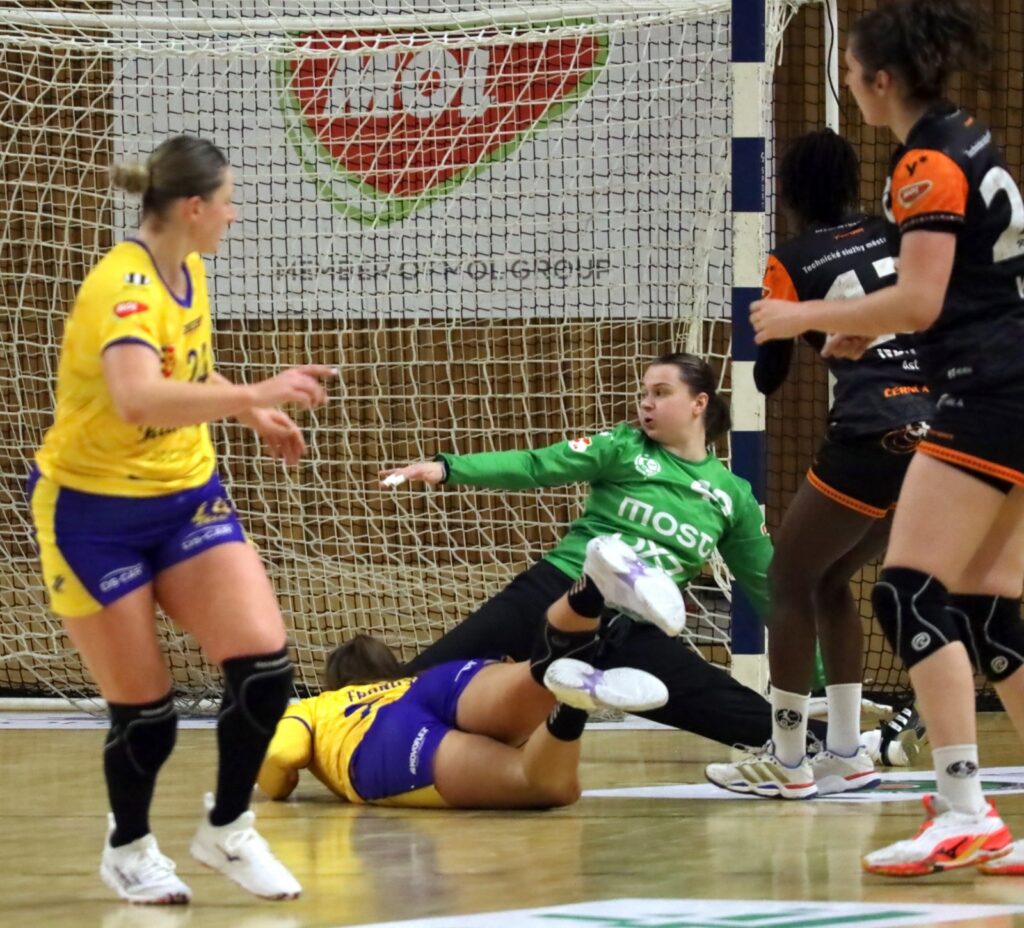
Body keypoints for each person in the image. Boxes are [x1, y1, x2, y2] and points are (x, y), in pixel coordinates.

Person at [748, 0, 1024, 876]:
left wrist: (802, 316)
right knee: (989, 606)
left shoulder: (924, 164)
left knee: (906, 593)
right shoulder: (971, 137)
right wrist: (858, 329)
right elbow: (958, 287)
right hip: (1009, 386)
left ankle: (963, 812)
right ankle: (963, 807)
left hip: (989, 396)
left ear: (879, 79)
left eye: (849, 73)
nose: (846, 86)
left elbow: (921, 300)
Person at [27, 135, 337, 904]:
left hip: (185, 495)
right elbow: (136, 396)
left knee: (265, 672)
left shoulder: (188, 267)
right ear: (195, 207)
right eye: (228, 202)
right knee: (148, 716)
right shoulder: (122, 287)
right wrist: (254, 392)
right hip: (93, 514)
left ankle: (227, 829)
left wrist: (249, 408)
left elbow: (183, 371)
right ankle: (129, 849)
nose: (234, 215)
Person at [381, 352, 911, 766]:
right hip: (557, 590)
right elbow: (537, 465)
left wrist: (814, 675)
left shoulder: (733, 497)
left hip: (630, 628)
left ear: (699, 403)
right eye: (643, 394)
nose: (646, 404)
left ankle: (851, 746)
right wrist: (448, 469)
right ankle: (348, 726)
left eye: (661, 393)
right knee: (411, 686)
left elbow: (772, 589)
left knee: (727, 705)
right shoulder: (624, 447)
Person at [704, 130, 930, 799]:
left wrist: (782, 321)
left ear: (789, 192)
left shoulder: (791, 260)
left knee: (786, 580)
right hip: (940, 435)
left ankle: (787, 758)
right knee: (830, 579)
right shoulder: (895, 234)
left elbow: (768, 377)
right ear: (853, 182)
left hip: (872, 429)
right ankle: (847, 753)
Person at [258, 536, 676, 808]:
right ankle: (591, 588)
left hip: (382, 742)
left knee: (540, 783)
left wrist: (279, 784)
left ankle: (572, 709)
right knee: (542, 670)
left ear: (335, 681)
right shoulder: (409, 679)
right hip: (438, 684)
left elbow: (280, 755)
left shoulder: (316, 707)